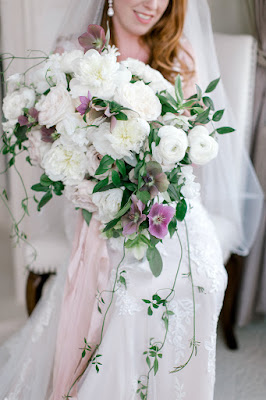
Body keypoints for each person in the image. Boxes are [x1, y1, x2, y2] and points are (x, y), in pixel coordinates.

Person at [0, 0, 263, 399]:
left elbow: (188, 156)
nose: (151, 5)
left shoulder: (178, 53)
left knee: (205, 277)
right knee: (129, 285)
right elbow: (53, 149)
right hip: (99, 207)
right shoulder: (73, 57)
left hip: (168, 205)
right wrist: (96, 179)